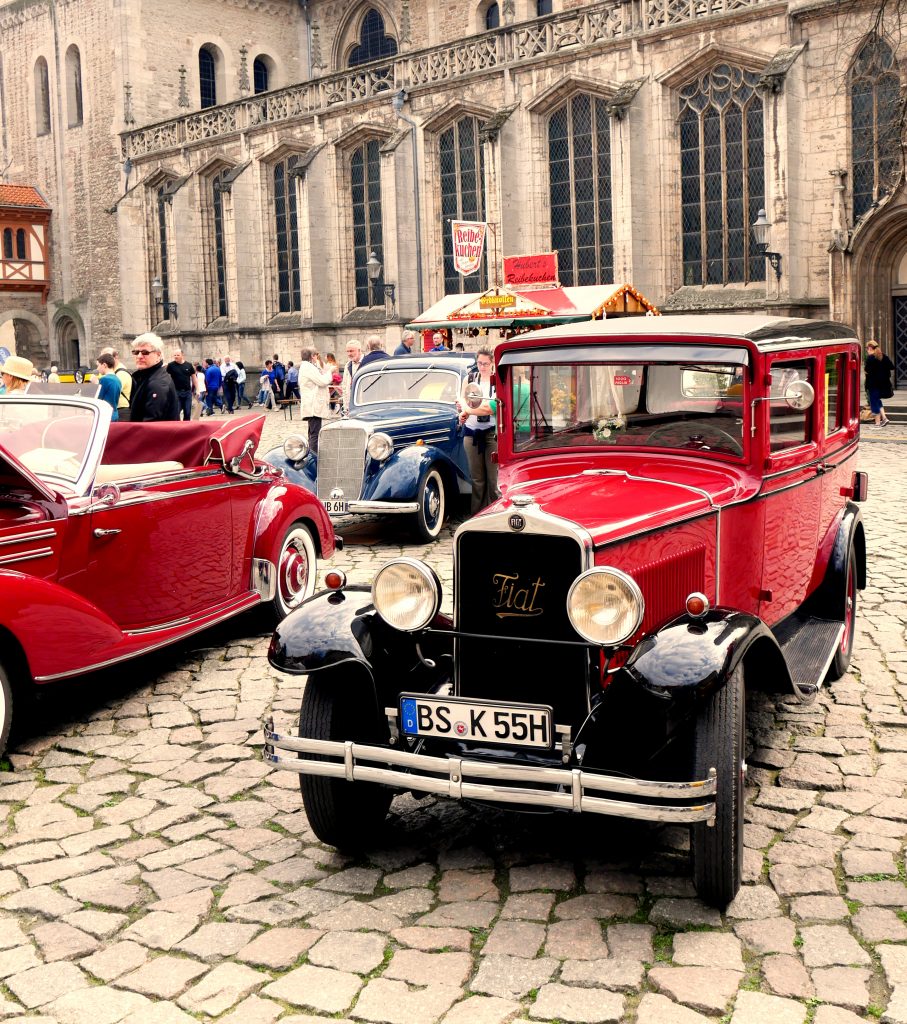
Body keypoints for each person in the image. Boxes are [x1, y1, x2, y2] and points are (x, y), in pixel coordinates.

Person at [459, 345, 500, 514]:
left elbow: (489, 408)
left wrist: (467, 410)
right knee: (477, 479)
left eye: (485, 363)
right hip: (471, 433)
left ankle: (495, 513)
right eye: (479, 363)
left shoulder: (497, 380)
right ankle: (477, 514)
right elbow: (462, 399)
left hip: (491, 433)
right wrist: (462, 411)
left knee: (493, 479)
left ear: (492, 363)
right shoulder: (469, 379)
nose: (482, 367)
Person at [130, 333, 179, 421]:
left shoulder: (157, 383)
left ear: (158, 355)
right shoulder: (145, 377)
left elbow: (151, 424)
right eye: (136, 352)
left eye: (145, 352)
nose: (139, 356)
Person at [298, 348, 334, 455]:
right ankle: (313, 457)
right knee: (314, 434)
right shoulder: (308, 367)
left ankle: (312, 453)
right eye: (316, 355)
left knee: (312, 432)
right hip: (313, 405)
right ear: (312, 356)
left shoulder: (308, 366)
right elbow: (323, 381)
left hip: (311, 404)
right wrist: (330, 371)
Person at [864, 339, 895, 428]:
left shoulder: (871, 358)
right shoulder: (883, 356)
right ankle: (884, 418)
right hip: (882, 384)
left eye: (867, 348)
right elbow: (891, 367)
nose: (867, 350)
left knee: (874, 402)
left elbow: (867, 371)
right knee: (877, 401)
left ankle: (877, 423)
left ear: (870, 348)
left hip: (873, 384)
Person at [99, 346, 133, 421]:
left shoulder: (121, 373)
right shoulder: (111, 373)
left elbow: (112, 392)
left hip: (121, 411)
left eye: (108, 357)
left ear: (116, 357)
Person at [166, 349, 195, 421]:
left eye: (177, 355)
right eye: (175, 355)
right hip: (176, 392)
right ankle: (177, 427)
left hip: (187, 392)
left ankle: (186, 427)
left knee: (187, 412)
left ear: (182, 355)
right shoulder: (170, 365)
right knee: (176, 411)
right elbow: (167, 378)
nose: (176, 357)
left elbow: (194, 378)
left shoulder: (189, 365)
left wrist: (198, 389)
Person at [95, 354, 122, 420]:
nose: (97, 368)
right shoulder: (117, 379)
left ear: (104, 365)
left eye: (98, 365)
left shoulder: (104, 379)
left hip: (105, 415)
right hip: (114, 413)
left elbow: (98, 399)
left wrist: (95, 384)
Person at [341, 341, 362, 412]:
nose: (349, 354)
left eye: (351, 351)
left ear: (359, 350)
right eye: (347, 351)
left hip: (362, 404)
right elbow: (344, 386)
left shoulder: (366, 363)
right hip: (351, 406)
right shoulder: (348, 365)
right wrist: (345, 406)